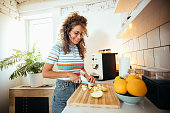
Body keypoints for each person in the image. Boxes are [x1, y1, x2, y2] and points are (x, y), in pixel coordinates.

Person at [42, 12, 95, 113]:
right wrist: (69, 74)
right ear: (68, 31)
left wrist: (87, 76)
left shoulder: (79, 49)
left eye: (81, 34)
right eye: (76, 33)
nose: (79, 37)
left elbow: (81, 69)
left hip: (79, 88)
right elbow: (45, 73)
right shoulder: (57, 48)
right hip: (63, 91)